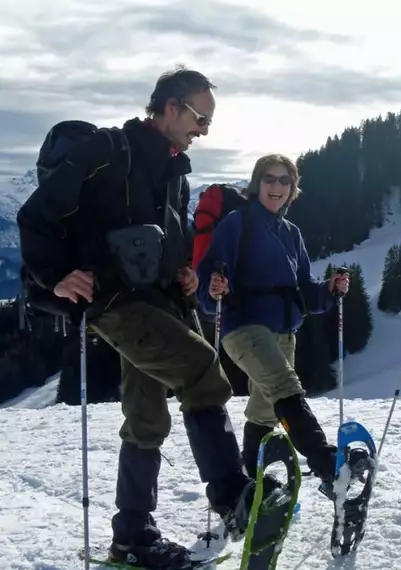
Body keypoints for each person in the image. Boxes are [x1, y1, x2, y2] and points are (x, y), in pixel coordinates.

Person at [17, 67, 258, 568]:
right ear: (170, 107)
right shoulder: (107, 151)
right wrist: (56, 275)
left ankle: (132, 535)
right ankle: (234, 496)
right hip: (114, 303)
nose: (203, 130)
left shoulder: (173, 172)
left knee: (146, 419)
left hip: (158, 303)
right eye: (200, 118)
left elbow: (162, 244)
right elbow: (36, 215)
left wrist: (183, 275)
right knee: (200, 371)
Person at [196, 153, 370, 493]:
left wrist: (329, 290)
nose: (277, 187)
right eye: (269, 179)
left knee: (264, 410)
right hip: (244, 325)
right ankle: (328, 464)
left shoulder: (291, 233)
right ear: (257, 184)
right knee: (285, 388)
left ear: (293, 189)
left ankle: (250, 482)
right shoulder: (237, 223)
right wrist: (214, 288)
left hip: (283, 331)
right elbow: (210, 277)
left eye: (285, 181)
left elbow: (303, 290)